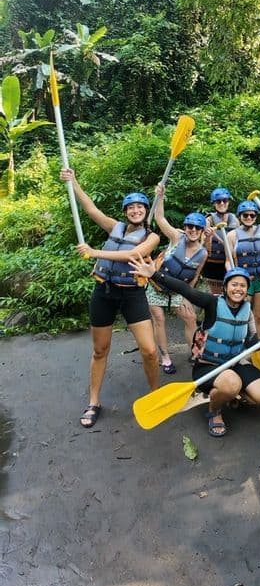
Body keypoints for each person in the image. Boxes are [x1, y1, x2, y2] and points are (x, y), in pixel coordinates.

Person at [60, 168, 160, 429]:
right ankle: (94, 402)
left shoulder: (152, 236)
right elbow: (91, 209)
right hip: (104, 293)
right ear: (126, 211)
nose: (135, 210)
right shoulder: (114, 226)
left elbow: (133, 255)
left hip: (132, 295)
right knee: (100, 349)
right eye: (131, 207)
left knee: (149, 351)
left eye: (140, 207)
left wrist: (94, 253)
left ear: (146, 211)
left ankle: (155, 394)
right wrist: (74, 182)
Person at [129, 261, 260, 438]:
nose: (238, 289)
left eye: (243, 286)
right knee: (231, 383)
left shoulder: (247, 310)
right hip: (208, 365)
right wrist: (155, 274)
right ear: (225, 287)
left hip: (235, 363)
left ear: (247, 290)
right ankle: (214, 410)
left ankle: (231, 395)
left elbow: (251, 342)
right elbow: (185, 290)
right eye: (234, 284)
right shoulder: (212, 303)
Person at [147, 183, 207, 374]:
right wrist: (161, 196)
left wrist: (188, 296)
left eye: (197, 227)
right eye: (190, 226)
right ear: (185, 227)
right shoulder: (176, 237)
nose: (193, 230)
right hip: (156, 286)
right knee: (159, 319)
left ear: (202, 230)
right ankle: (165, 357)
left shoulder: (203, 253)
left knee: (190, 318)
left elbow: (194, 276)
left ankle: (195, 354)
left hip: (178, 290)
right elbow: (160, 217)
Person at [225, 200, 260, 338]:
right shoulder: (232, 236)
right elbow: (228, 261)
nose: (249, 218)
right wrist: (233, 280)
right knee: (242, 317)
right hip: (244, 282)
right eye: (245, 215)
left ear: (255, 216)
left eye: (252, 215)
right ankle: (241, 347)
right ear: (240, 216)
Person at [201, 187, 239, 295]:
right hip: (211, 264)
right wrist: (208, 237)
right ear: (214, 203)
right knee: (212, 295)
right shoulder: (209, 220)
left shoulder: (234, 220)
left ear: (228, 202)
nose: (222, 203)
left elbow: (236, 244)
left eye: (225, 201)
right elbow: (204, 245)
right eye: (218, 201)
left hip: (229, 263)